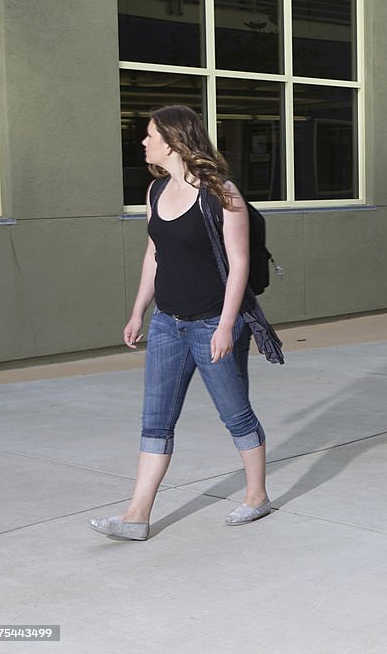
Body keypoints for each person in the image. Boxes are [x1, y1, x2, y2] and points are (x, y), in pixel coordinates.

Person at [89, 105, 271, 540]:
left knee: (235, 414)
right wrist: (139, 311)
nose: (144, 142)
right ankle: (136, 516)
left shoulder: (222, 194)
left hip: (212, 323)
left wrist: (227, 326)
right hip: (168, 325)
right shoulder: (155, 193)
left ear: (172, 141)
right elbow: (155, 254)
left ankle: (256, 496)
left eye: (150, 135)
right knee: (155, 420)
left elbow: (240, 264)